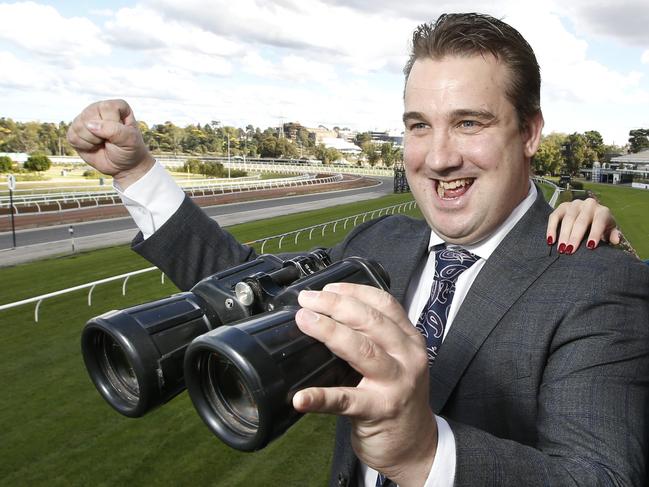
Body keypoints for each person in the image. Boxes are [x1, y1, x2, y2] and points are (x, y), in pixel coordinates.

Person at [67, 13, 648, 487]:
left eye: (469, 123)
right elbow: (248, 296)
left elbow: (600, 476)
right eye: (418, 125)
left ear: (529, 132)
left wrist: (426, 454)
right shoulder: (380, 243)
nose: (438, 157)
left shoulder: (600, 280)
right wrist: (138, 173)